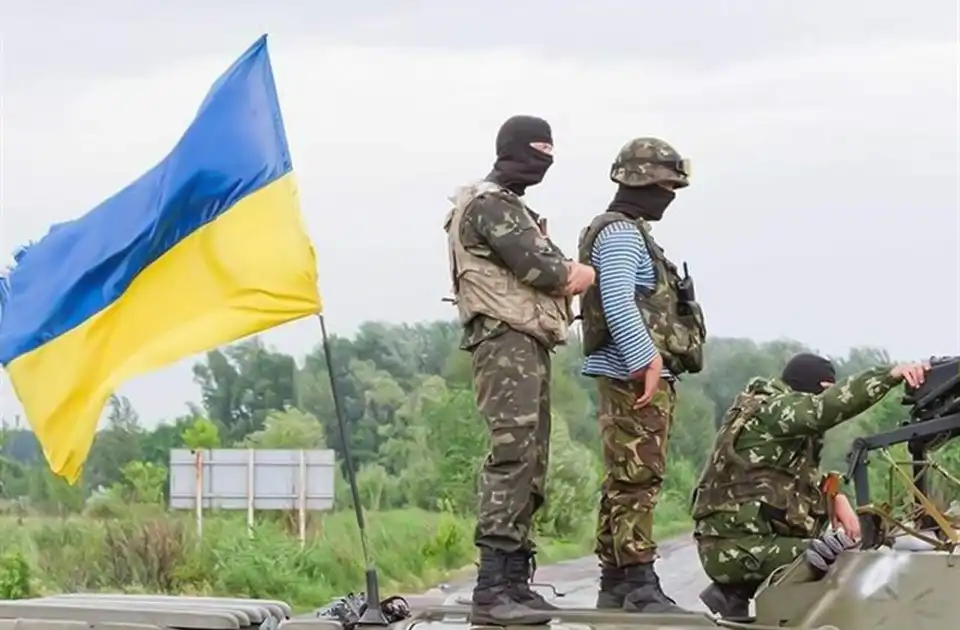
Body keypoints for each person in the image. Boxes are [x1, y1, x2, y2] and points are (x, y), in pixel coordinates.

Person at [443, 114, 596, 626]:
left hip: (524, 341)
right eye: (536, 153)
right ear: (509, 150)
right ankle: (492, 587)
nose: (543, 165)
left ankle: (513, 580)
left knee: (532, 457)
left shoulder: (508, 205)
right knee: (513, 455)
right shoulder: (490, 205)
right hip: (504, 339)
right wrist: (579, 272)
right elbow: (544, 269)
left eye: (549, 155)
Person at [692, 352, 930, 619]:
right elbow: (823, 409)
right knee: (839, 559)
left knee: (836, 551)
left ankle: (738, 594)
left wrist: (835, 495)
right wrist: (889, 375)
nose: (827, 396)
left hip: (741, 544)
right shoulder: (773, 409)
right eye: (825, 390)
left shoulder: (778, 430)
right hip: (733, 549)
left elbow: (788, 483)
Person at [577, 137, 707, 613]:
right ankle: (638, 583)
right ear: (643, 181)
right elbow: (617, 300)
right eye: (667, 186)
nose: (670, 195)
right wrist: (645, 360)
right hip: (633, 375)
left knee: (624, 478)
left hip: (631, 372)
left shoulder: (624, 230)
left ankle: (616, 581)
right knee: (638, 479)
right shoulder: (621, 235)